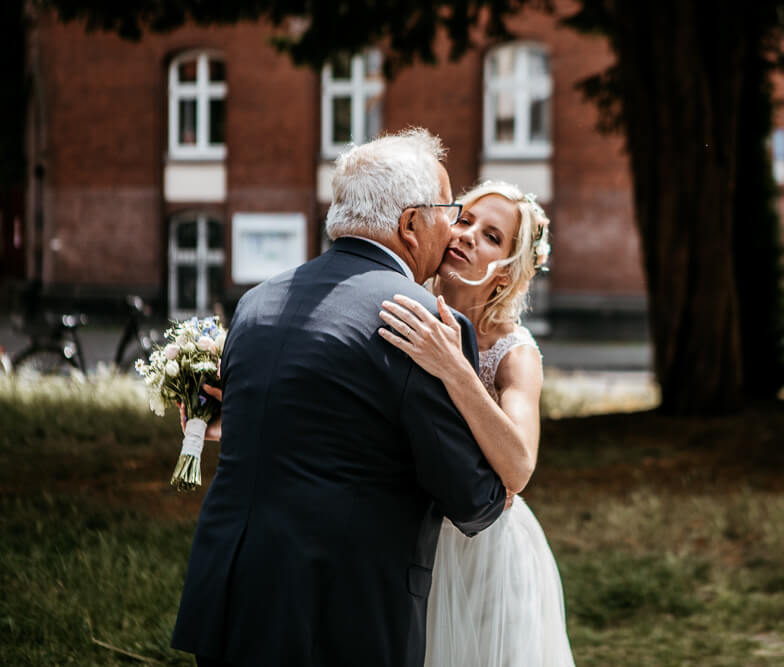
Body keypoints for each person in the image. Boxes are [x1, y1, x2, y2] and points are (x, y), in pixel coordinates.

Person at [171, 128, 508, 667]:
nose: (455, 229)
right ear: (410, 224)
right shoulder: (421, 322)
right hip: (343, 616)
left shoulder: (257, 303)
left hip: (232, 595)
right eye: (449, 209)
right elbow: (474, 499)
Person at [377, 180, 574, 666]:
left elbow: (519, 467)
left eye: (491, 236)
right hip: (403, 534)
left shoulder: (515, 354)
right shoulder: (398, 307)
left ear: (505, 274)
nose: (467, 236)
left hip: (486, 553)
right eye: (463, 220)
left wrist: (454, 367)